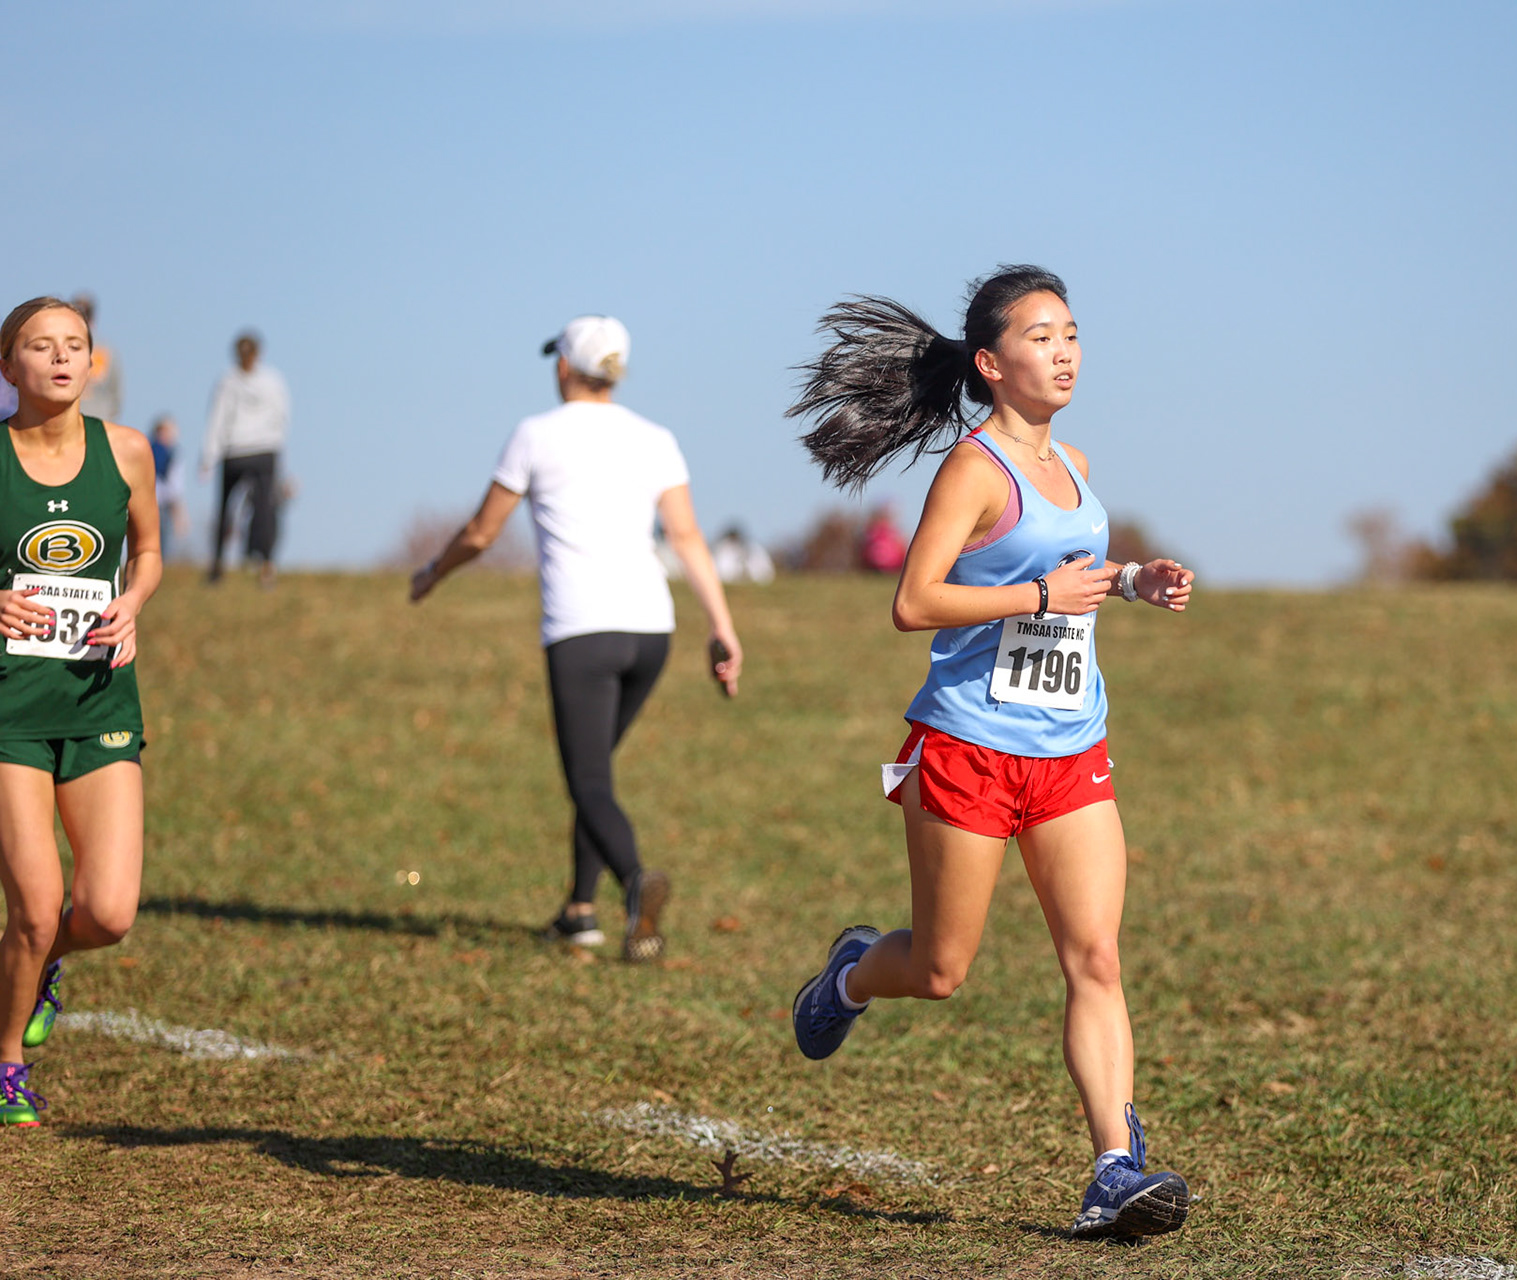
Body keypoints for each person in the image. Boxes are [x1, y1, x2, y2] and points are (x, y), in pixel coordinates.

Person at [785, 266, 1197, 1240]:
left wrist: (1131, 580)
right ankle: (851, 973)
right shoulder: (974, 471)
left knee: (1096, 955)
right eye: (1040, 337)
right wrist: (1041, 597)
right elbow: (914, 601)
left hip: (1070, 748)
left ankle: (1113, 1166)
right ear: (991, 364)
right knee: (940, 969)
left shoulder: (1075, 464)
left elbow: (1071, 568)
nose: (1064, 352)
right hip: (966, 747)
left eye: (1072, 333)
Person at [410, 315, 744, 962]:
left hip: (582, 631)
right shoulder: (655, 438)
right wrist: (721, 626)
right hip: (651, 632)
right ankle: (578, 912)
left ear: (564, 366)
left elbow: (481, 533)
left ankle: (636, 883)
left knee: (587, 780)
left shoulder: (535, 434)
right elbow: (685, 537)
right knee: (597, 774)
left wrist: (432, 573)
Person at [0, 297, 163, 1126]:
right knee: (33, 908)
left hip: (101, 701)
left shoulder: (127, 451)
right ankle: (7, 1063)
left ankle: (37, 966)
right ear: (8, 366)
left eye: (76, 346)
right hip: (10, 712)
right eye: (41, 346)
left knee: (106, 912)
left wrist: (132, 600)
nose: (63, 359)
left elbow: (150, 550)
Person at [201, 330, 289, 587]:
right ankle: (263, 565)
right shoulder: (270, 381)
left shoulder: (229, 381)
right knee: (259, 509)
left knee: (236, 509)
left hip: (243, 450)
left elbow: (217, 419)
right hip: (257, 450)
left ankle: (222, 566)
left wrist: (209, 455)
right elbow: (282, 416)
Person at [71, 294, 122, 425]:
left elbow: (116, 392)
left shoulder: (105, 351)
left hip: (96, 419)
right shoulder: (107, 350)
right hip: (95, 419)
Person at [148, 415, 187, 561]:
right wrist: (179, 513)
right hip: (158, 503)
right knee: (159, 541)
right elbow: (173, 488)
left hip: (150, 501)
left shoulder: (146, 449)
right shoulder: (167, 453)